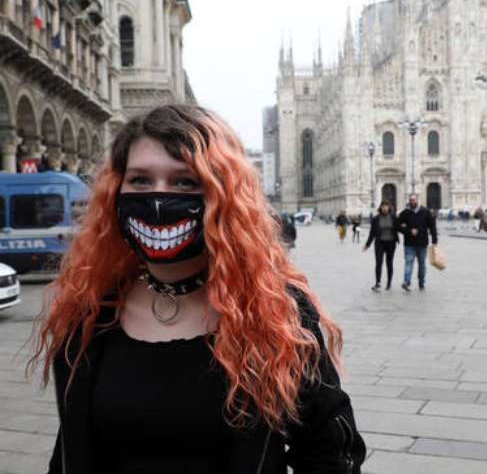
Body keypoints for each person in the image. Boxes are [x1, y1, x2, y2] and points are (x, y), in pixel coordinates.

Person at [29, 105, 365, 473]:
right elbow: (71, 448)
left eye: (185, 182)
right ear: (116, 191)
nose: (158, 198)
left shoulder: (276, 314)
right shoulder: (91, 312)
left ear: (223, 196)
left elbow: (330, 452)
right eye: (141, 180)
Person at [398, 193, 438, 291]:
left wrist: (434, 240)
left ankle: (421, 281)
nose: (412, 202)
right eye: (411, 200)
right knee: (408, 262)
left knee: (422, 264)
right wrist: (408, 231)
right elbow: (397, 225)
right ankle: (406, 282)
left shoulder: (425, 212)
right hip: (409, 243)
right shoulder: (405, 213)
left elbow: (432, 226)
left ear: (417, 200)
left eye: (414, 200)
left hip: (422, 243)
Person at [362, 200, 400, 291]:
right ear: (381, 207)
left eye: (386, 206)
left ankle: (389, 283)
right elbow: (372, 233)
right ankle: (378, 283)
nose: (385, 208)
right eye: (383, 206)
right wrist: (367, 245)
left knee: (389, 263)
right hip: (379, 243)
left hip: (391, 243)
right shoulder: (376, 219)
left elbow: (399, 228)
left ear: (389, 207)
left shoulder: (393, 217)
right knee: (379, 262)